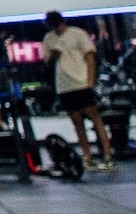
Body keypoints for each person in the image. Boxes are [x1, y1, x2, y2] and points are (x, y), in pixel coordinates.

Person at [40, 10, 114, 170]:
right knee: (77, 122)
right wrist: (54, 54)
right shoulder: (49, 39)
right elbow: (47, 62)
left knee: (95, 118)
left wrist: (90, 80)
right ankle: (88, 157)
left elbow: (89, 56)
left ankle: (107, 155)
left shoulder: (77, 33)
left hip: (81, 82)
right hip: (64, 85)